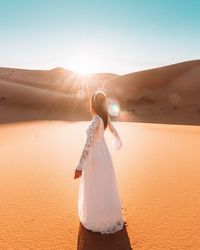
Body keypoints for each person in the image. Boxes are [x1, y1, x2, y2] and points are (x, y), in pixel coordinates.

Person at [74, 90, 125, 234]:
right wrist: (118, 142)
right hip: (104, 154)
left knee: (95, 185)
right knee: (104, 185)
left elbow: (88, 144)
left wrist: (79, 166)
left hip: (94, 157)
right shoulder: (105, 118)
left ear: (93, 104)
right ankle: (108, 215)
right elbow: (114, 132)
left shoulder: (96, 119)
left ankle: (97, 219)